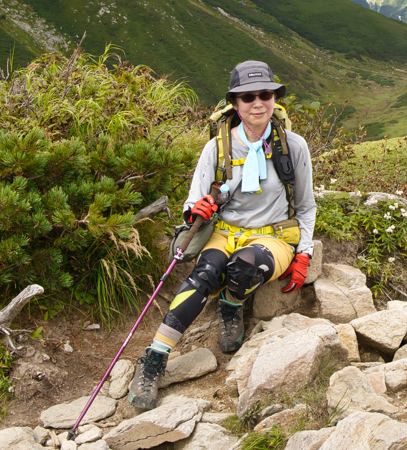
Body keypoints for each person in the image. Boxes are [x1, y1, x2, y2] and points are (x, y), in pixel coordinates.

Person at [128, 60, 316, 409]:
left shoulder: (293, 146)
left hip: (272, 236)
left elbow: (305, 206)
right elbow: (192, 203)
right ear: (234, 103)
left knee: (244, 266)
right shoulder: (217, 148)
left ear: (275, 98)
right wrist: (196, 210)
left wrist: (304, 252)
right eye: (248, 97)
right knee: (206, 273)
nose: (258, 103)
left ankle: (232, 304)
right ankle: (154, 357)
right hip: (225, 232)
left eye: (265, 95)